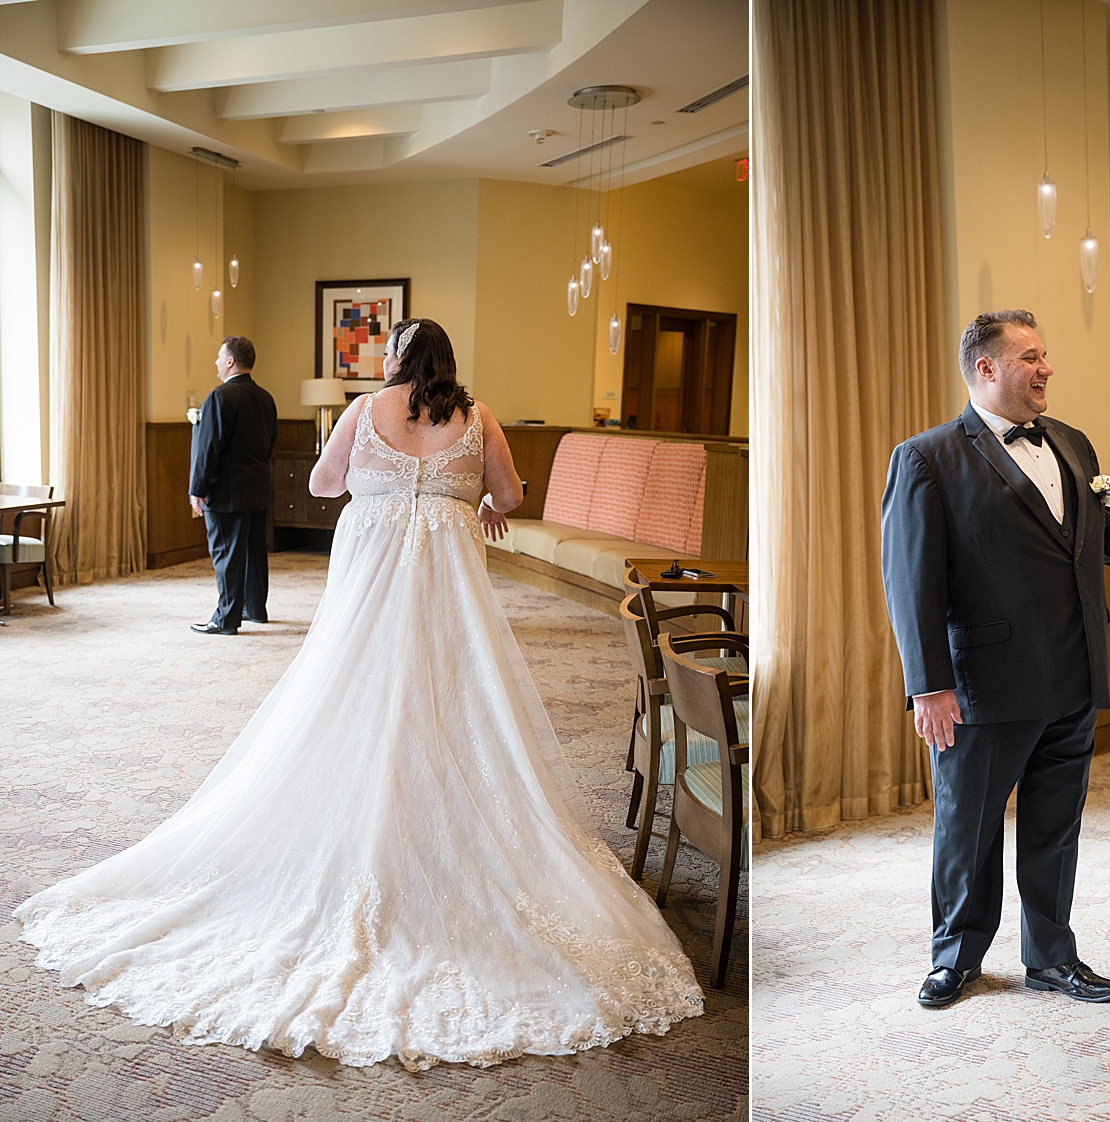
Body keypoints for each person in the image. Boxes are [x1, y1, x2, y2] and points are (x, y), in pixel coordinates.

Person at [15, 318, 703, 1068]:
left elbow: (321, 484)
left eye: (388, 352)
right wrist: (474, 500)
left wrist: (380, 482)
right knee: (452, 708)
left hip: (369, 595)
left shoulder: (361, 411)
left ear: (400, 358)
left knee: (347, 702)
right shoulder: (477, 419)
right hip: (448, 603)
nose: (381, 360)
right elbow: (509, 492)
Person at [881, 309, 1110, 1009]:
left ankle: (1052, 956)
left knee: (1057, 825)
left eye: (1045, 355)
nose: (1046, 368)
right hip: (982, 685)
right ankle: (954, 957)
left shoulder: (1073, 444)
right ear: (986, 369)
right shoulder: (927, 457)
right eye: (1030, 357)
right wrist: (928, 686)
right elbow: (910, 579)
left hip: (1074, 674)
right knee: (969, 827)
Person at [189, 336, 278, 635]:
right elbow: (269, 444)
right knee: (254, 551)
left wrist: (197, 489)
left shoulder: (221, 396)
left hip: (227, 491)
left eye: (219, 356)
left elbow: (209, 448)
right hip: (258, 487)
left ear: (230, 361)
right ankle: (255, 609)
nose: (216, 362)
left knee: (226, 552)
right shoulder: (266, 398)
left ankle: (225, 619)